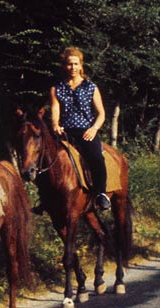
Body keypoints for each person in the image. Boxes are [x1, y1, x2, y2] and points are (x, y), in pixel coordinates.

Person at [50, 46, 110, 211]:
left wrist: (94, 129)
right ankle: (46, 197)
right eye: (70, 64)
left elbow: (101, 113)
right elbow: (55, 110)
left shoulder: (91, 87)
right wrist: (55, 125)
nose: (73, 68)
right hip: (65, 132)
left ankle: (101, 194)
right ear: (64, 66)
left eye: (76, 64)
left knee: (96, 158)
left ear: (81, 66)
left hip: (86, 131)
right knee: (45, 156)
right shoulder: (57, 88)